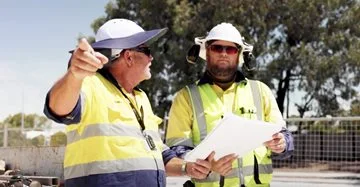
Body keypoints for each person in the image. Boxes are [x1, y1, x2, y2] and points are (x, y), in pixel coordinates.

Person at [43, 18, 212, 187]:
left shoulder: (141, 98)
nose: (151, 57)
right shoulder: (90, 83)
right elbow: (58, 109)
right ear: (129, 57)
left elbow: (159, 154)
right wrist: (74, 75)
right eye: (146, 50)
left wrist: (187, 168)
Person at [165, 22, 294, 187]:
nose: (224, 54)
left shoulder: (261, 91)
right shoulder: (186, 97)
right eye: (217, 48)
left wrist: (282, 143)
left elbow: (285, 136)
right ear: (207, 52)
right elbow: (177, 151)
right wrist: (206, 165)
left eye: (231, 49)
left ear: (239, 55)